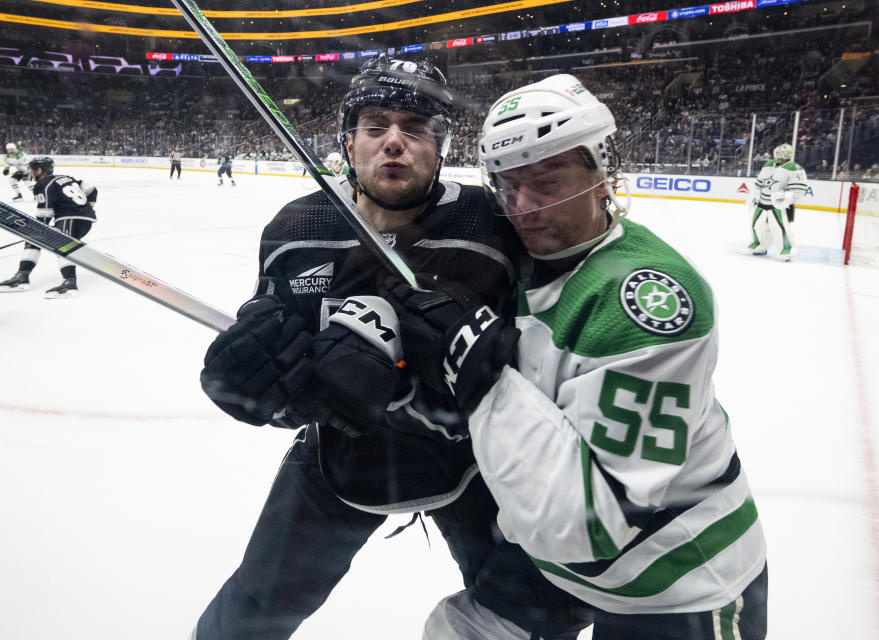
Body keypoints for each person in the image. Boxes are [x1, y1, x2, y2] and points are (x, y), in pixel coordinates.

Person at [192, 55, 591, 640]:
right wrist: (262, 392)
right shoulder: (295, 230)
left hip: (473, 464)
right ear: (348, 143)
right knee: (247, 614)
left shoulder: (494, 225)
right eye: (375, 126)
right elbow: (282, 351)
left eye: (415, 128)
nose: (394, 143)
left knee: (535, 616)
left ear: (442, 146)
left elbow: (547, 350)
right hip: (341, 461)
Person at [383, 74, 768, 639]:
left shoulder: (646, 297)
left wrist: (478, 374)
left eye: (547, 180)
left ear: (604, 169)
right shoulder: (517, 258)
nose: (525, 208)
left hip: (677, 582)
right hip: (553, 567)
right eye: (508, 186)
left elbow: (591, 524)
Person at [0, 156, 97, 298]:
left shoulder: (42, 185)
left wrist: (38, 232)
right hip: (80, 218)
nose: (30, 173)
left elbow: (43, 217)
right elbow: (91, 189)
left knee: (60, 243)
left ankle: (70, 283)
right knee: (35, 238)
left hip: (70, 218)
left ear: (39, 170)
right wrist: (88, 207)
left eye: (32, 169)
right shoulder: (64, 177)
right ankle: (22, 275)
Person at [748, 143, 807, 261]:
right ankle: (760, 244)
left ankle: (786, 249)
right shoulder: (768, 165)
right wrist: (754, 195)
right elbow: (759, 182)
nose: (778, 155)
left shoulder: (795, 168)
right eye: (777, 152)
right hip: (761, 203)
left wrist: (787, 197)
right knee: (756, 225)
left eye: (780, 153)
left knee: (780, 227)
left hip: (778, 205)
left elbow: (798, 189)